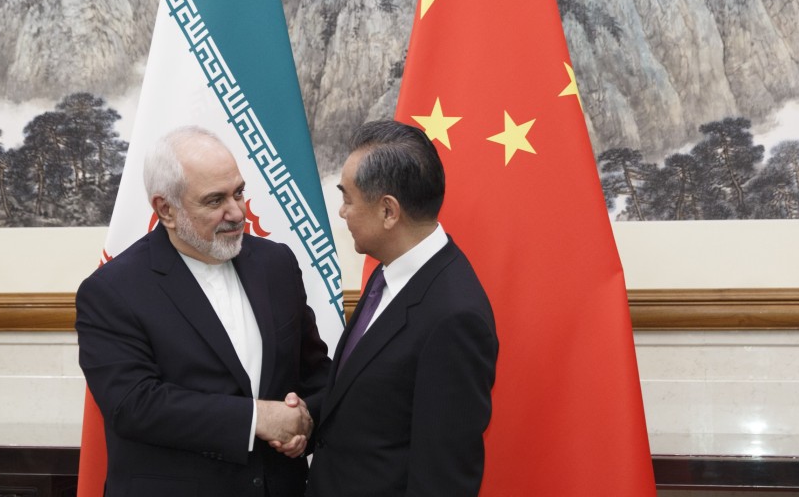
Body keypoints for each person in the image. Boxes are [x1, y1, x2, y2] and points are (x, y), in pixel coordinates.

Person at [76, 125, 331, 497]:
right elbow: (133, 405)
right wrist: (258, 419)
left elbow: (317, 375)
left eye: (239, 193)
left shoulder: (276, 264)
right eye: (215, 201)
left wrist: (303, 421)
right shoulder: (112, 291)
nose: (236, 212)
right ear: (166, 210)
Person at [306, 120, 499, 497]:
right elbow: (374, 404)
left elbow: (443, 479)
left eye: (348, 199)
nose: (342, 212)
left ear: (388, 212)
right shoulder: (392, 270)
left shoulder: (455, 317)